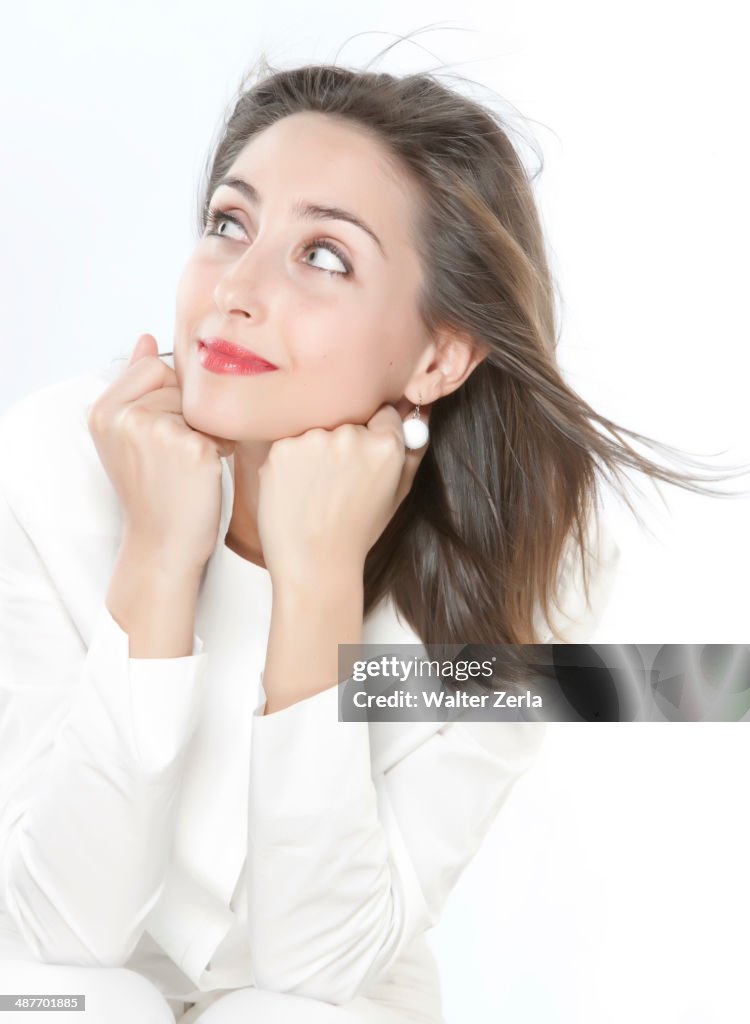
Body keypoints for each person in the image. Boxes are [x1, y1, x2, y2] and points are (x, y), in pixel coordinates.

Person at [0, 58, 741, 1024]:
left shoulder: (529, 559)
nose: (237, 289)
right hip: (54, 983)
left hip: (330, 998)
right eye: (231, 224)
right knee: (81, 1002)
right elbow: (56, 934)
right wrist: (156, 562)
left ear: (437, 357)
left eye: (324, 256)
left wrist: (319, 581)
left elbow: (318, 964)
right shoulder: (53, 462)